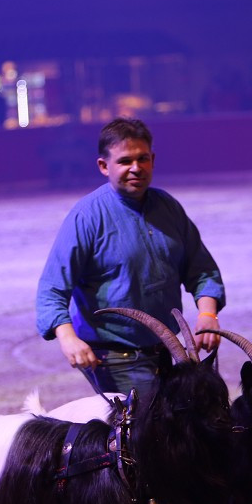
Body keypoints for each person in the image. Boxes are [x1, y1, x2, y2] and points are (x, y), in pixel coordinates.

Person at [36, 117, 226, 396]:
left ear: (153, 159)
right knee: (152, 432)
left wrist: (208, 313)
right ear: (104, 166)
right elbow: (51, 290)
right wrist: (68, 339)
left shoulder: (168, 208)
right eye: (125, 161)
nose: (136, 168)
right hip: (113, 356)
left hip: (165, 350)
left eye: (143, 159)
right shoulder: (86, 217)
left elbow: (202, 269)